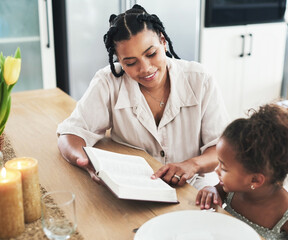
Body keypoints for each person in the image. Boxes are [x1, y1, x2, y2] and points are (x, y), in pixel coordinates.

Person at [56, 4, 229, 190]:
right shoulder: (108, 81)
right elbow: (71, 133)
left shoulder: (200, 80)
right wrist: (84, 161)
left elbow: (221, 150)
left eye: (151, 54)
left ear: (163, 41)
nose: (145, 68)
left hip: (195, 187)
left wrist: (192, 164)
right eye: (130, 63)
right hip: (135, 188)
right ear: (119, 60)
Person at [196, 104, 288, 240]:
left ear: (255, 180)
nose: (216, 170)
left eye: (224, 168)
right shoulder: (232, 188)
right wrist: (212, 191)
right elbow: (217, 191)